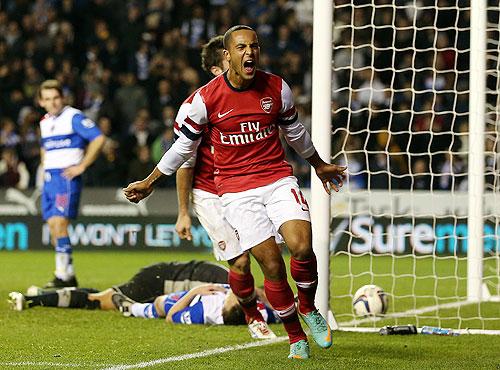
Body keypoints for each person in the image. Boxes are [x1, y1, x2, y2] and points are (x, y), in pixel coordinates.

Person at [123, 25, 346, 360]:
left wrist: (318, 164)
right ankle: (295, 336)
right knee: (270, 266)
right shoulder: (204, 100)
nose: (250, 52)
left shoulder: (276, 88)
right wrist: (150, 181)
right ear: (227, 55)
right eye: (241, 47)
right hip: (236, 192)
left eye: (254, 46)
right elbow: (183, 150)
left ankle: (308, 307)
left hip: (276, 179)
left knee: (301, 246)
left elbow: (294, 131)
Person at [174, 35, 278, 340]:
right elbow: (184, 161)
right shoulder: (195, 106)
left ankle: (297, 307)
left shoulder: (255, 95)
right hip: (209, 192)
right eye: (230, 59)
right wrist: (183, 212)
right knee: (241, 260)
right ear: (216, 67)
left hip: (247, 185)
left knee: (268, 255)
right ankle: (253, 316)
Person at [37, 79, 106, 288]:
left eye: (56, 98)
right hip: (49, 178)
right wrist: (44, 164)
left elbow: (98, 138)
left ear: (63, 98)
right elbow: (44, 147)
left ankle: (62, 275)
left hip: (66, 179)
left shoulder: (73, 117)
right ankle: (68, 274)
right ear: (41, 102)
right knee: (52, 227)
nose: (53, 102)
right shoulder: (44, 122)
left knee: (60, 224)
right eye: (48, 99)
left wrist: (82, 165)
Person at [8, 260, 230, 311]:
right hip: (156, 282)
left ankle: (43, 294)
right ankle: (33, 300)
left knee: (101, 295)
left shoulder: (230, 280)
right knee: (98, 301)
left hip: (161, 276)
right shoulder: (226, 288)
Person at [122, 284, 279, 327]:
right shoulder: (261, 313)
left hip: (195, 298)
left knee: (161, 304)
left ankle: (133, 309)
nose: (237, 294)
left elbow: (171, 318)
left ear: (227, 307)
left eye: (236, 298)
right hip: (217, 287)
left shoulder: (202, 312)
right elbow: (279, 313)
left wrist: (194, 291)